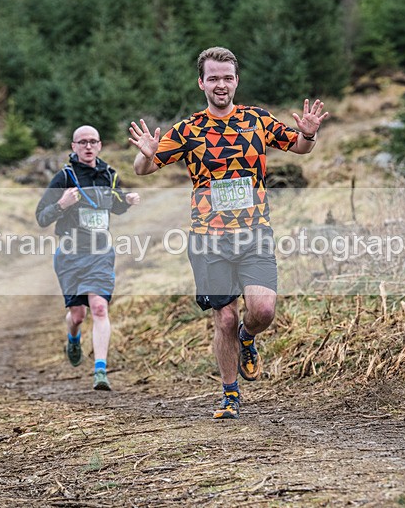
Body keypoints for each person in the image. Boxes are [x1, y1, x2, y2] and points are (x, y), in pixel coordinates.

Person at [128, 46, 328, 419]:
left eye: (227, 78)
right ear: (201, 83)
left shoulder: (257, 120)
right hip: (209, 239)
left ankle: (247, 339)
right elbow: (143, 169)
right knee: (225, 318)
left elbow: (299, 147)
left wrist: (309, 135)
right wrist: (147, 153)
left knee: (262, 310)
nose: (221, 85)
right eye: (213, 78)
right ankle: (230, 394)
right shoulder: (188, 130)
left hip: (254, 233)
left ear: (236, 81)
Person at [36, 125, 140, 391]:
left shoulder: (109, 175)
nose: (88, 146)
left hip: (100, 254)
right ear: (74, 147)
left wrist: (127, 201)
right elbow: (41, 217)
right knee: (78, 315)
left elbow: (115, 206)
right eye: (82, 142)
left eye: (93, 141)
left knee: (99, 308)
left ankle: (100, 371)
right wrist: (61, 205)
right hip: (70, 255)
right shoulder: (64, 177)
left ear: (100, 145)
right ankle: (73, 338)